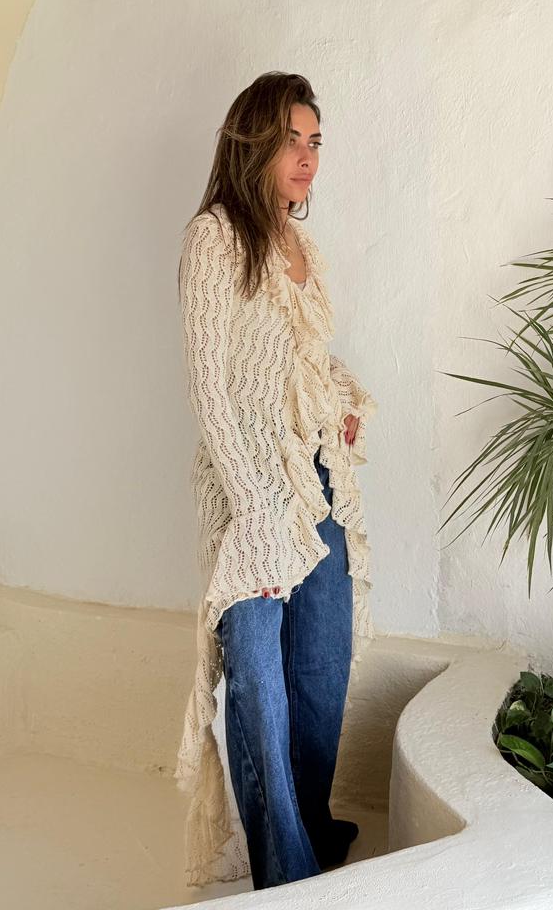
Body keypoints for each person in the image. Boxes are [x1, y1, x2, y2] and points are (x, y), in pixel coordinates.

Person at [173, 71, 378, 890]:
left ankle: (313, 834)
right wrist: (253, 507)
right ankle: (286, 877)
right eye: (292, 139)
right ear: (254, 141)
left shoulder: (302, 249)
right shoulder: (214, 238)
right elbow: (209, 386)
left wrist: (344, 402)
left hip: (315, 480)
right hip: (247, 490)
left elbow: (306, 360)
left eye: (315, 141)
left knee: (321, 668)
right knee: (258, 681)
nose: (307, 157)